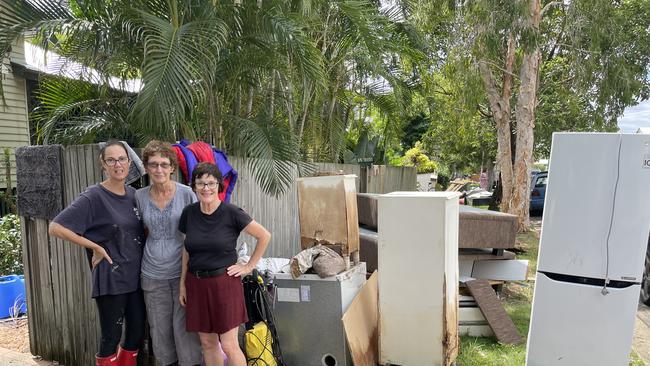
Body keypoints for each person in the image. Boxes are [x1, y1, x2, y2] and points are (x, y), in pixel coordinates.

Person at [48, 140, 145, 366]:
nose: (117, 164)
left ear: (129, 162)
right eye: (110, 160)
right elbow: (56, 227)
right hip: (111, 276)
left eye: (121, 159)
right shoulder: (93, 196)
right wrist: (95, 246)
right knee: (111, 336)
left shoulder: (134, 195)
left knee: (136, 333)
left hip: (136, 276)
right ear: (103, 164)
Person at [179, 162, 271, 366]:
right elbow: (186, 249)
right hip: (197, 284)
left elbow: (264, 236)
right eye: (200, 183)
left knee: (229, 345)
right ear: (193, 186)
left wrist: (248, 267)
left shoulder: (231, 213)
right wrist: (182, 284)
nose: (206, 188)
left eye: (211, 183)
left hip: (224, 284)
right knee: (207, 343)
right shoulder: (189, 213)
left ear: (219, 185)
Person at [135, 140, 202, 366]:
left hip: (182, 272)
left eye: (164, 164)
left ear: (172, 167)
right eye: (153, 164)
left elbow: (198, 233)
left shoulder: (187, 195)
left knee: (186, 332)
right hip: (152, 275)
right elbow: (135, 230)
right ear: (146, 167)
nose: (159, 170)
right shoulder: (139, 197)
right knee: (160, 332)